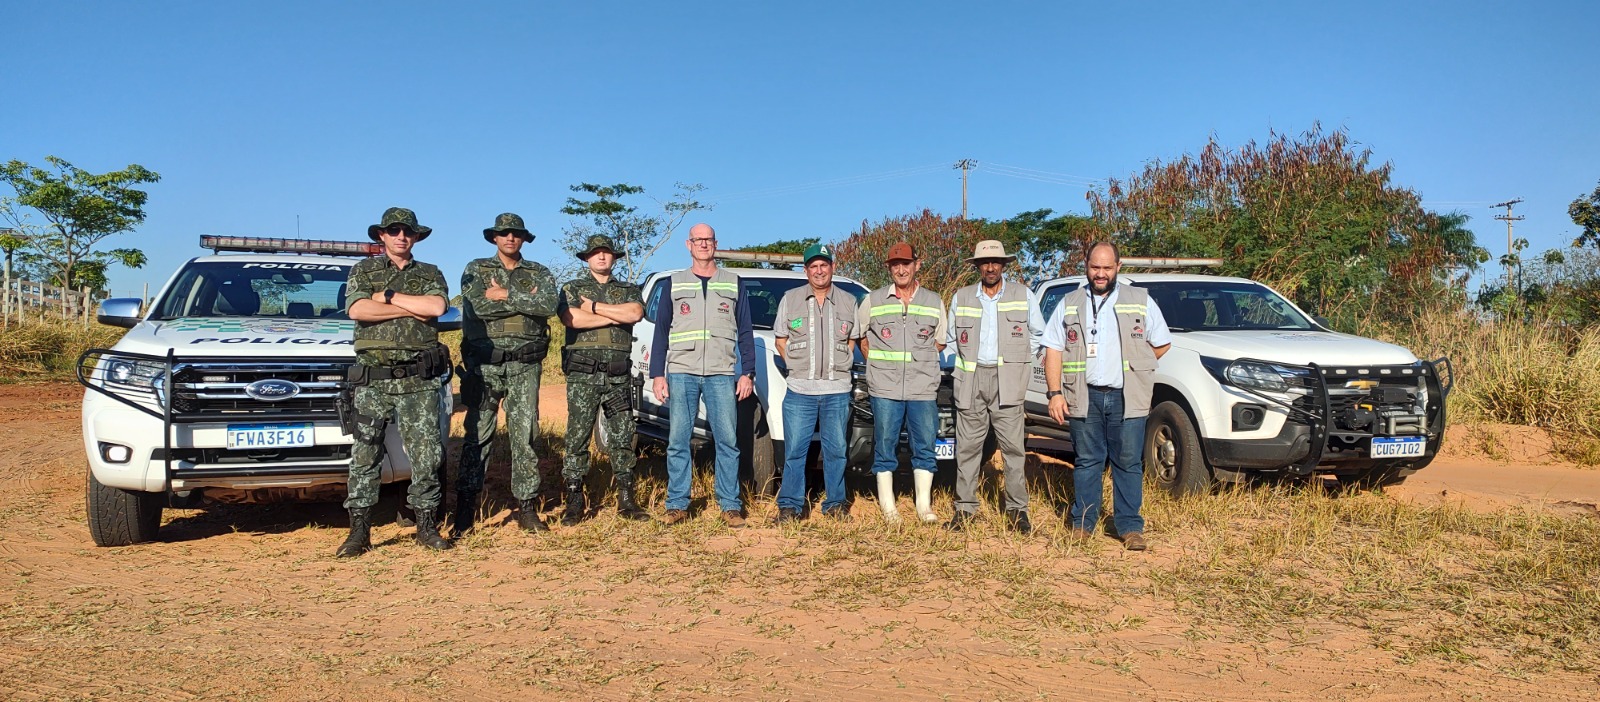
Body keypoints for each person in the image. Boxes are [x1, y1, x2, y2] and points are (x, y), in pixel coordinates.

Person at [337, 207, 453, 557]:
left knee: (427, 453)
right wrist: (411, 307)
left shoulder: (430, 272)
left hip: (419, 378)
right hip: (374, 377)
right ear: (382, 236)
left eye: (409, 231)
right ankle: (359, 532)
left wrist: (387, 298)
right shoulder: (364, 269)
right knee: (365, 453)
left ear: (416, 237)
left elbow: (435, 307)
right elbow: (358, 310)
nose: (402, 236)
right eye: (395, 231)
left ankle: (426, 526)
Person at [1044, 241, 1171, 551]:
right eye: (1095, 267)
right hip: (1083, 396)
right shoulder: (1069, 302)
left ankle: (1129, 527)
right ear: (1086, 265)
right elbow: (1053, 349)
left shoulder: (1139, 300)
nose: (1100, 274)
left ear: (1118, 267)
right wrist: (1055, 393)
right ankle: (1083, 524)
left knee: (1127, 462)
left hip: (1127, 398)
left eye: (1107, 268)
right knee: (1087, 462)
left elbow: (1163, 342)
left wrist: (1139, 367)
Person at [455, 213, 558, 534]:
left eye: (516, 233)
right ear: (494, 238)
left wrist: (505, 295)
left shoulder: (538, 272)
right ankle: (465, 511)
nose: (510, 238)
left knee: (525, 434)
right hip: (485, 365)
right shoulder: (477, 269)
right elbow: (478, 306)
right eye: (504, 233)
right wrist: (526, 301)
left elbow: (549, 305)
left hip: (525, 365)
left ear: (524, 238)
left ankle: (527, 508)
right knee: (478, 435)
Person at [649, 223, 757, 528]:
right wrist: (658, 374)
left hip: (722, 373)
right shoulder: (675, 282)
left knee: (727, 440)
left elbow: (745, 332)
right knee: (678, 440)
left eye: (708, 240)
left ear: (715, 243)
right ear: (688, 244)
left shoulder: (734, 282)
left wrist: (747, 372)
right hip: (682, 372)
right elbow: (661, 333)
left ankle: (730, 505)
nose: (704, 244)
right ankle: (677, 504)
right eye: (698, 240)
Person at [945, 240, 1045, 534]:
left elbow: (1038, 335)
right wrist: (959, 370)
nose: (990, 267)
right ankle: (964, 508)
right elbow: (951, 341)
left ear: (1004, 265)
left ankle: (1017, 511)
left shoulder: (1022, 295)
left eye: (995, 262)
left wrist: (1018, 365)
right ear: (977, 266)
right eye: (984, 263)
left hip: (1008, 382)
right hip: (971, 382)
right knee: (967, 449)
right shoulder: (961, 297)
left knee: (1013, 450)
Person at [557, 234, 649, 523]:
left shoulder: (628, 289)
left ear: (614, 258)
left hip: (618, 376)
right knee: (577, 437)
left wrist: (595, 309)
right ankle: (574, 499)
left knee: (622, 436)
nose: (601, 257)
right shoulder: (572, 288)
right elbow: (572, 319)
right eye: (595, 253)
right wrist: (615, 316)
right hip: (583, 374)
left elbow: (635, 313)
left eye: (606, 253)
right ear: (587, 258)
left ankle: (626, 498)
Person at [858, 242, 947, 523]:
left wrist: (919, 362)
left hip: (922, 388)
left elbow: (940, 341)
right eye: (895, 264)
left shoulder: (934, 301)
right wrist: (879, 364)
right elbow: (861, 338)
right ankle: (889, 508)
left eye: (906, 263)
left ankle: (924, 506)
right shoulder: (872, 300)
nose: (901, 269)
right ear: (889, 268)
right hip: (885, 387)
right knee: (885, 445)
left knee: (925, 446)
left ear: (916, 265)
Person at [771, 243, 859, 523]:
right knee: (795, 451)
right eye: (813, 266)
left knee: (836, 451)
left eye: (824, 265)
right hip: (800, 390)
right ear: (806, 270)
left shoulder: (848, 301)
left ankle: (835, 505)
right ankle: (790, 507)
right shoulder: (791, 298)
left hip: (837, 390)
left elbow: (852, 340)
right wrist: (796, 366)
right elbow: (781, 340)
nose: (819, 271)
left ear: (832, 267)